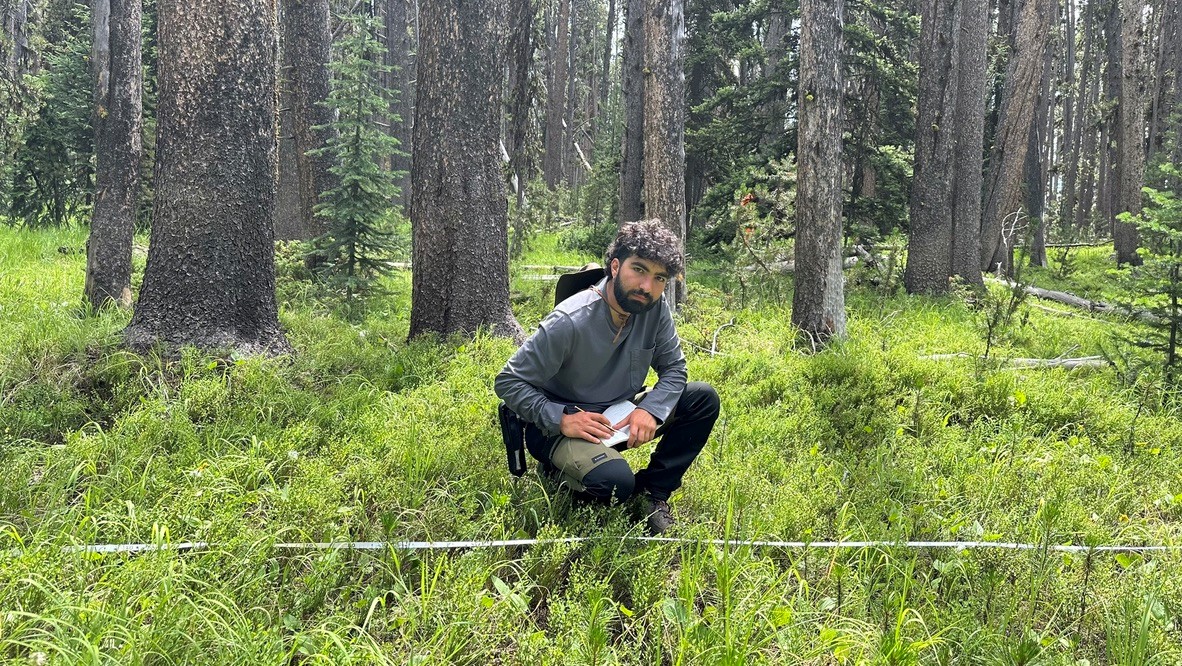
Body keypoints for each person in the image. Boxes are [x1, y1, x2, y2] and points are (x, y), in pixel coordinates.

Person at [494, 220, 719, 533]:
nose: (646, 287)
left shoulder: (653, 309)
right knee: (615, 484)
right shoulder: (569, 321)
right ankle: (558, 472)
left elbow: (675, 369)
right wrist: (561, 418)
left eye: (659, 278)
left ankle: (652, 494)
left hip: (617, 415)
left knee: (702, 398)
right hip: (562, 426)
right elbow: (508, 382)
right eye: (638, 270)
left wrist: (649, 410)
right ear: (615, 267)